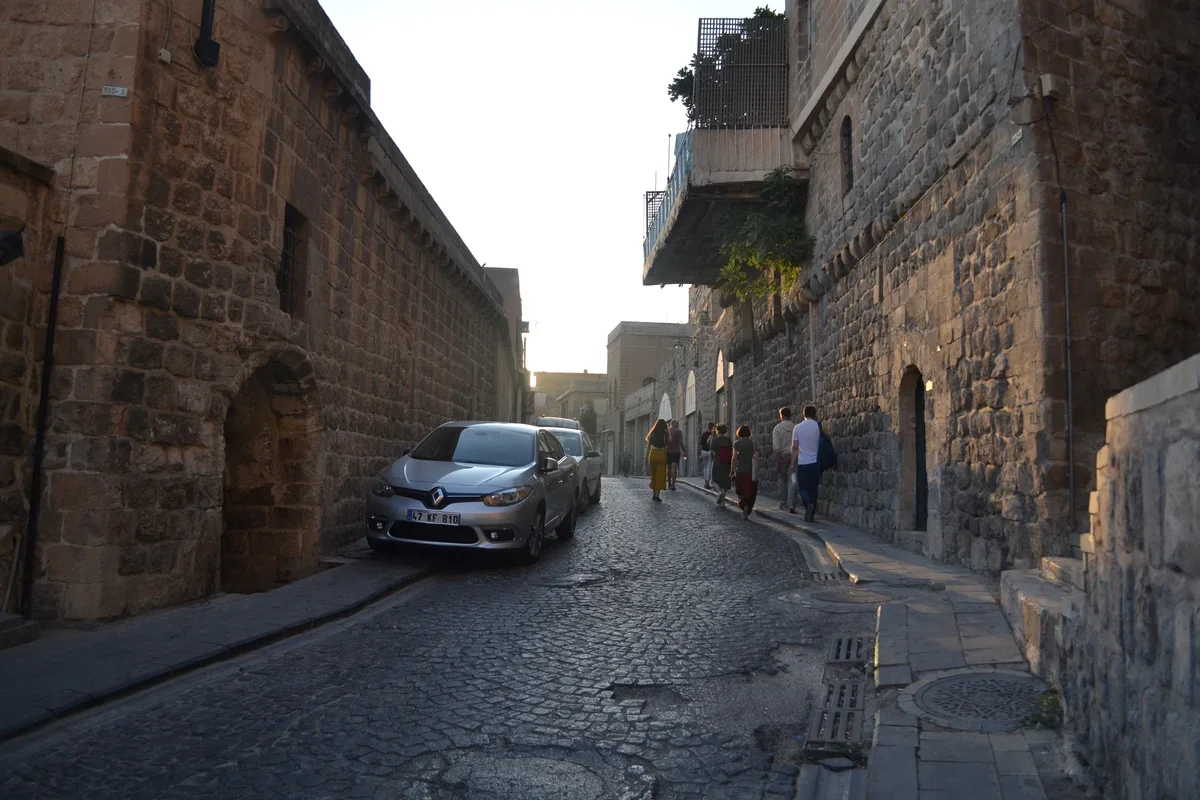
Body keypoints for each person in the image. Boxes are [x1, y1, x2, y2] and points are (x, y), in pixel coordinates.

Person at [791, 405, 822, 522]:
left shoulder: (797, 428)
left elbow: (795, 447)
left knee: (803, 487)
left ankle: (808, 504)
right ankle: (812, 512)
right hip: (815, 462)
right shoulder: (818, 426)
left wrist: (792, 463)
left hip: (803, 462)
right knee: (813, 488)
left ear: (803, 414)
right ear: (814, 414)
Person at [771, 407, 796, 510]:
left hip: (782, 457)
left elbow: (776, 447)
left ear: (782, 416)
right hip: (794, 457)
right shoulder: (795, 427)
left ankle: (784, 503)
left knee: (783, 480)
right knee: (793, 480)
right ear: (790, 415)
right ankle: (791, 504)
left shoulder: (777, 428)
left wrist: (778, 460)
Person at [732, 425, 759, 519]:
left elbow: (734, 458)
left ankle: (744, 506)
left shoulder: (737, 443)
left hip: (740, 470)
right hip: (751, 471)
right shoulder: (753, 443)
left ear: (739, 433)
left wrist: (732, 470)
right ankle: (748, 508)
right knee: (751, 491)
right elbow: (756, 457)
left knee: (740, 490)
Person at [645, 418, 669, 502]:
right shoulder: (665, 433)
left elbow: (648, 447)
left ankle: (653, 494)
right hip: (661, 454)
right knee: (660, 475)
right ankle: (657, 495)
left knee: (654, 475)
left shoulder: (653, 433)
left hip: (653, 453)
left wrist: (646, 458)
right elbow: (667, 443)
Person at [709, 423, 733, 507]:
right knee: (724, 482)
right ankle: (722, 503)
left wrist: (713, 456)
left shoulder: (714, 440)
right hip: (727, 463)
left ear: (717, 430)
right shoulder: (728, 440)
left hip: (717, 462)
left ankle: (719, 492)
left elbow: (711, 452)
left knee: (714, 480)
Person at [665, 419, 687, 490]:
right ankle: (673, 484)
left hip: (668, 452)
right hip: (676, 452)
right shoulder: (679, 432)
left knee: (669, 468)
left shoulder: (667, 431)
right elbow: (680, 442)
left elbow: (665, 442)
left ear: (671, 424)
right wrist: (684, 451)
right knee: (674, 468)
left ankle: (669, 484)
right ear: (676, 424)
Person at [699, 422, 715, 489]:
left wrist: (700, 453)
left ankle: (705, 482)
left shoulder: (704, 434)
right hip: (709, 452)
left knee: (705, 467)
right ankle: (707, 483)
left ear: (708, 426)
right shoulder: (713, 435)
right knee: (709, 468)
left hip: (703, 451)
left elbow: (701, 443)